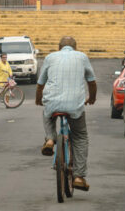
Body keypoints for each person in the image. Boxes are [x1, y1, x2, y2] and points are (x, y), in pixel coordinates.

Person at [36, 36, 97, 192]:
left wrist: (39, 100)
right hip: (75, 105)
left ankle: (50, 139)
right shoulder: (82, 57)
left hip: (53, 103)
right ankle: (78, 176)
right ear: (75, 48)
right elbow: (91, 82)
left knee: (47, 113)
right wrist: (92, 98)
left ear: (59, 47)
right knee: (80, 137)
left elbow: (40, 84)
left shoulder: (50, 57)